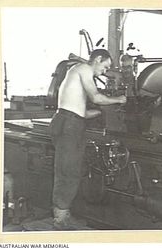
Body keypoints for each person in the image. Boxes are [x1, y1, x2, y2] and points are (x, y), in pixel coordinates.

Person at [49, 49, 126, 230]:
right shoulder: (84, 68)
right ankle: (60, 220)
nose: (104, 72)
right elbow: (96, 97)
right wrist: (120, 100)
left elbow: (80, 112)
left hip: (68, 121)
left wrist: (100, 113)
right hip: (69, 125)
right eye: (105, 66)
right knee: (68, 172)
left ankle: (63, 214)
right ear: (98, 59)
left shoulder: (76, 71)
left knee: (69, 170)